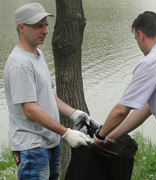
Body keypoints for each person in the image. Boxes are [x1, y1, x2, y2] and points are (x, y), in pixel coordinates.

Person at [3, 3, 91, 180]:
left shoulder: (37, 55)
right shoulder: (20, 64)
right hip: (32, 149)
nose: (45, 31)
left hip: (50, 143)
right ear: (21, 27)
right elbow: (30, 109)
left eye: (46, 25)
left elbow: (48, 94)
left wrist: (74, 113)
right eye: (38, 26)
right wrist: (65, 133)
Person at [93, 11, 156, 180]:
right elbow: (146, 109)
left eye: (135, 39)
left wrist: (99, 137)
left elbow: (121, 110)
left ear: (140, 35)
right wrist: (111, 137)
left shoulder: (151, 62)